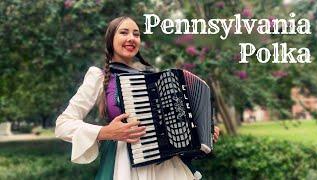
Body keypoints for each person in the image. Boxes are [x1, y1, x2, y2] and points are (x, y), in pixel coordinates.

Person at [55, 16, 220, 180]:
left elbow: (175, 126)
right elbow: (63, 125)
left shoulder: (153, 78)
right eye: (124, 32)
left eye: (136, 34)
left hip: (166, 168)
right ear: (110, 39)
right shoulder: (98, 76)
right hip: (125, 167)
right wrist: (105, 132)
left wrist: (202, 131)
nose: (131, 38)